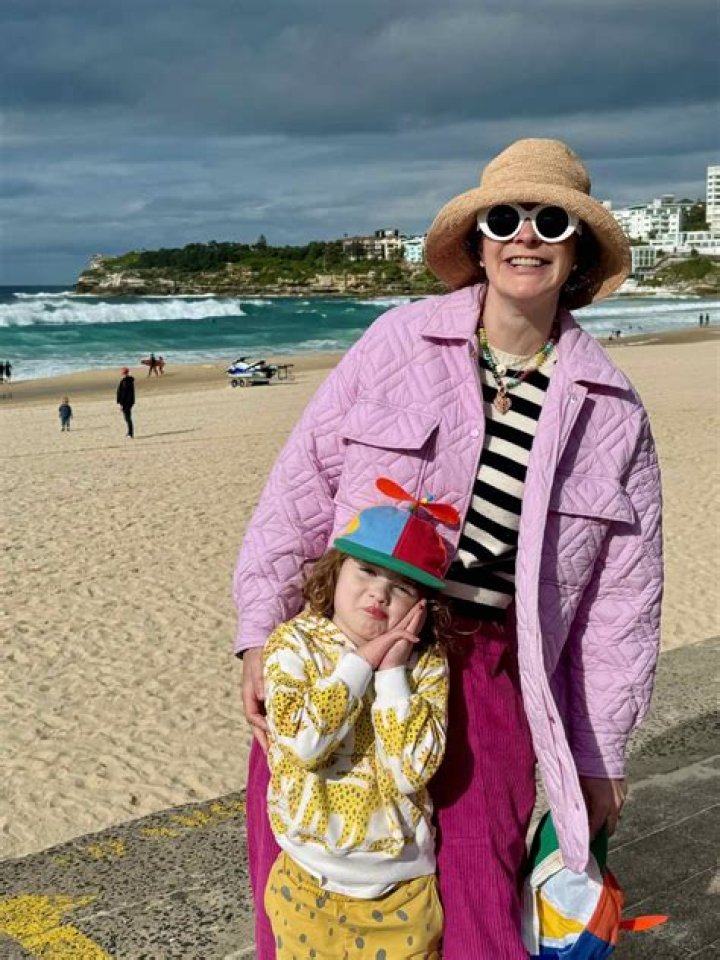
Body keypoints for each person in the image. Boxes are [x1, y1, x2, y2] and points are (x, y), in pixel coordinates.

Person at [234, 139, 663, 959]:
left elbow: (622, 605)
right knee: (305, 899)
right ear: (478, 239)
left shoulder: (612, 408)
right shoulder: (396, 342)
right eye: (505, 218)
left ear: (577, 250)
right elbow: (300, 489)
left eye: (551, 221)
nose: (525, 236)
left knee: (477, 911)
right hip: (340, 651)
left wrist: (599, 753)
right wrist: (260, 634)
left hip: (488, 675)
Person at [263, 478, 458, 958]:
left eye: (401, 587)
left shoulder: (425, 666)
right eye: (366, 571)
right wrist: (361, 664)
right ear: (335, 571)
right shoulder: (294, 643)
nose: (378, 594)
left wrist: (391, 674)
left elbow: (411, 771)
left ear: (422, 606)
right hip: (307, 881)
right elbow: (305, 744)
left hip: (401, 892)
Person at [116, 367, 135, 438]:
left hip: (126, 402)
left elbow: (123, 394)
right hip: (130, 402)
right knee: (127, 418)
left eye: (123, 372)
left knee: (127, 418)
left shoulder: (125, 381)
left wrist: (121, 404)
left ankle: (130, 433)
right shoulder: (129, 380)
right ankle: (129, 432)